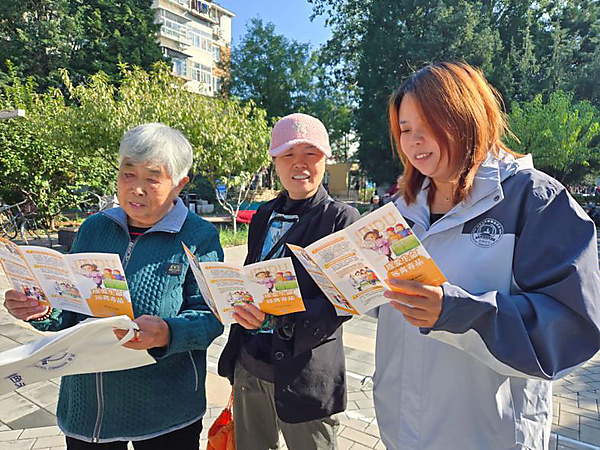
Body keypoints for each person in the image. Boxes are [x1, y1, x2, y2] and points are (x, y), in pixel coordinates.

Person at [373, 61, 600, 450]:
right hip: (400, 430)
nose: (414, 141)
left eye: (429, 123)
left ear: (466, 119)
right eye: (406, 129)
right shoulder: (400, 209)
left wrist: (457, 312)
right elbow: (393, 310)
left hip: (489, 436)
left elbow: (571, 329)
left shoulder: (534, 199)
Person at [3, 123, 224, 449]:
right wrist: (42, 309)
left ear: (179, 184)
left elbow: (210, 317)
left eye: (152, 178)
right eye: (128, 174)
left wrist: (167, 333)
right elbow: (69, 308)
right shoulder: (94, 228)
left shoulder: (198, 237)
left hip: (166, 412)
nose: (136, 188)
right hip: (87, 410)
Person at [218, 113, 360, 450]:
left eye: (310, 153)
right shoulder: (264, 215)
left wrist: (278, 315)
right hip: (250, 363)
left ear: (326, 159)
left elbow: (345, 302)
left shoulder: (340, 219)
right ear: (274, 162)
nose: (300, 164)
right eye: (288, 154)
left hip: (306, 374)